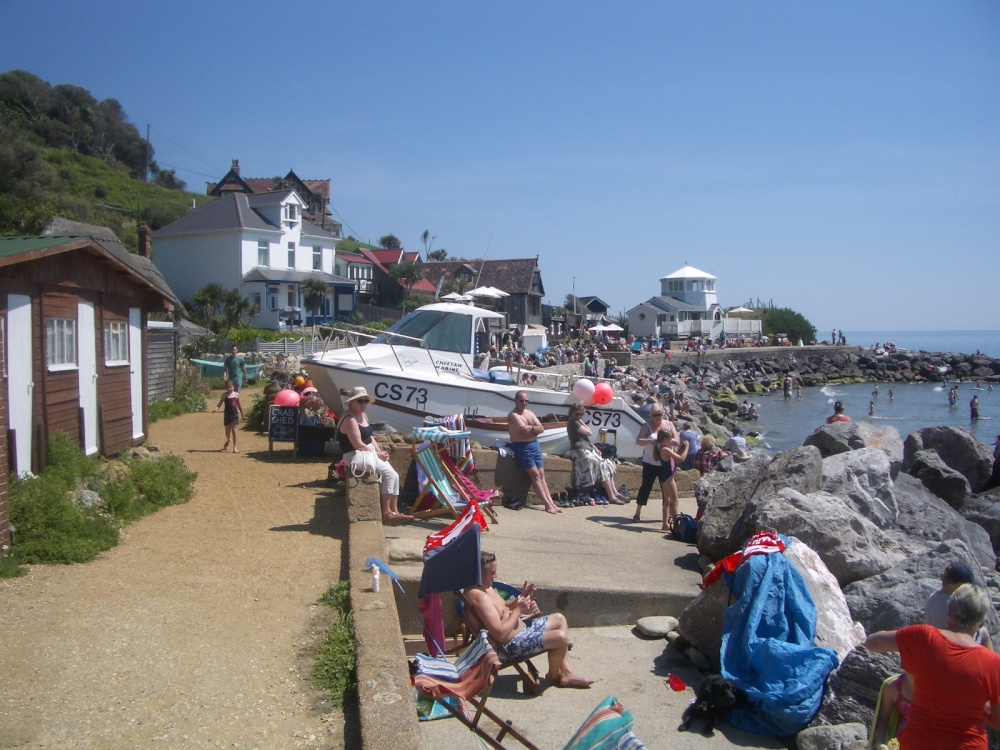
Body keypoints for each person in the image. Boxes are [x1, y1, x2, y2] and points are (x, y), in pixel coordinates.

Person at [865, 584, 1000, 750]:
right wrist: (977, 705)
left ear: (949, 611)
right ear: (981, 623)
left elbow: (872, 643)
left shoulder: (925, 637)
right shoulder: (993, 663)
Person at [464, 552, 593, 688]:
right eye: (492, 572)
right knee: (561, 638)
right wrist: (518, 610)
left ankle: (566, 672)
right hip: (507, 647)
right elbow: (499, 635)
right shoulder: (479, 597)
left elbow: (504, 608)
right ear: (479, 572)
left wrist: (522, 598)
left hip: (520, 633)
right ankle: (554, 675)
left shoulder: (486, 588)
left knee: (560, 619)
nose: (495, 576)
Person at [337, 386, 410, 525]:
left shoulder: (362, 415)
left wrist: (379, 451)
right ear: (351, 402)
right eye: (360, 401)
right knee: (389, 475)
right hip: (354, 454)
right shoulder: (350, 419)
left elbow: (369, 437)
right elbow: (358, 444)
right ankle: (387, 513)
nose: (364, 404)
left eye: (366, 401)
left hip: (367, 451)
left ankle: (394, 511)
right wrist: (377, 454)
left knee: (394, 475)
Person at [507, 391, 560, 514]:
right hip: (521, 447)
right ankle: (547, 504)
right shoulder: (513, 415)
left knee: (541, 474)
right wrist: (534, 429)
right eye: (521, 400)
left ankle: (551, 502)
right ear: (515, 401)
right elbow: (522, 431)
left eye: (526, 400)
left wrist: (531, 428)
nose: (524, 403)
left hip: (534, 446)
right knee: (535, 474)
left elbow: (541, 428)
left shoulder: (529, 413)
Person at [566, 404, 627, 504]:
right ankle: (611, 496)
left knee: (606, 463)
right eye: (577, 414)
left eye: (581, 414)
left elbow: (586, 438)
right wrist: (582, 422)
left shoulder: (576, 422)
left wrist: (594, 447)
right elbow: (589, 433)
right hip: (579, 448)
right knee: (599, 463)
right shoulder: (573, 423)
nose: (579, 416)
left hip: (587, 447)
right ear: (571, 413)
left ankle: (614, 492)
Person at [924, 561, 993, 649]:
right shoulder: (954, 603)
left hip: (933, 642)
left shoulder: (933, 597)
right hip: (953, 645)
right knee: (984, 632)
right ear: (959, 585)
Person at [632, 404, 672, 523]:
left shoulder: (669, 425)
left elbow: (677, 440)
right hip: (650, 461)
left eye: (660, 414)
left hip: (665, 462)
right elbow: (638, 441)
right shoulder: (647, 425)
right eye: (655, 415)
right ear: (651, 415)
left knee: (667, 490)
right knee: (645, 487)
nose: (658, 417)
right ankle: (637, 512)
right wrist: (650, 441)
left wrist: (664, 442)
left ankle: (668, 516)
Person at [657, 430, 688, 532]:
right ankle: (675, 525)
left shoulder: (661, 447)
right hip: (668, 477)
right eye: (670, 439)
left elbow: (674, 455)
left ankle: (665, 524)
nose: (671, 441)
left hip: (663, 476)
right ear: (665, 439)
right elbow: (681, 459)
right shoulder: (665, 449)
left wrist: (679, 449)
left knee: (667, 501)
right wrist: (687, 447)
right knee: (674, 501)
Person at [213, 380, 244, 453]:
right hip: (227, 415)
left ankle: (235, 447)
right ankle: (228, 439)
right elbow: (219, 404)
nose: (229, 389)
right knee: (227, 432)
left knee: (234, 431)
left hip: (234, 415)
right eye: (227, 387)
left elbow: (239, 406)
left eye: (230, 387)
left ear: (233, 387)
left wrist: (242, 415)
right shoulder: (224, 395)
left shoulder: (236, 395)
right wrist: (216, 409)